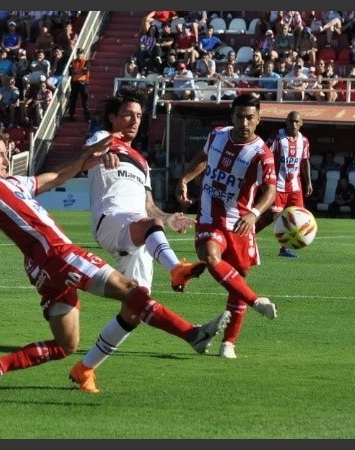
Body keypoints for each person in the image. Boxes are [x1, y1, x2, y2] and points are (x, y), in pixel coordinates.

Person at [0, 128, 230, 400]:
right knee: (132, 292)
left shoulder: (17, 184)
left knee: (66, 345)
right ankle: (193, 335)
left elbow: (59, 175)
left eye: (6, 152)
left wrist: (89, 159)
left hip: (42, 269)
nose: (6, 158)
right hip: (59, 254)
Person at [69, 85, 211, 393]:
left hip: (139, 227)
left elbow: (149, 208)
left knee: (136, 306)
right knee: (146, 226)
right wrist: (101, 156)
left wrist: (168, 218)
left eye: (138, 116)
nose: (134, 121)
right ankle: (177, 269)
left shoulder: (143, 163)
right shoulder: (100, 139)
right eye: (127, 115)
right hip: (112, 221)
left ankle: (85, 369)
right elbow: (85, 158)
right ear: (113, 117)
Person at [175, 94, 278, 360]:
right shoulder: (217, 135)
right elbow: (203, 157)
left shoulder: (262, 154)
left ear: (258, 120)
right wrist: (186, 178)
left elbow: (270, 190)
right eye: (240, 116)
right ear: (231, 117)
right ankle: (257, 301)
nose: (245, 122)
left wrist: (254, 214)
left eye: (250, 118)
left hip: (240, 223)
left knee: (237, 283)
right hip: (210, 214)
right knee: (210, 255)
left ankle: (228, 343)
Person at [256, 111, 313, 258]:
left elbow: (305, 161)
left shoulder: (304, 141)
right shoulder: (277, 138)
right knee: (272, 215)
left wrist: (308, 182)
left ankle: (285, 248)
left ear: (301, 124)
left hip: (295, 187)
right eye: (291, 121)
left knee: (296, 218)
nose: (293, 124)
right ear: (286, 122)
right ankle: (247, 236)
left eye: (296, 122)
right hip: (278, 185)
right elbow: (264, 155)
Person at [67, 47, 91, 122]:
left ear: (83, 54)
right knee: (73, 99)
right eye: (78, 53)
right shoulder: (73, 62)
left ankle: (87, 117)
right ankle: (71, 115)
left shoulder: (86, 61)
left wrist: (76, 71)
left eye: (81, 53)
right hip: (74, 82)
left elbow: (85, 70)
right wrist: (79, 70)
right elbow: (70, 72)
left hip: (83, 83)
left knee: (85, 100)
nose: (79, 55)